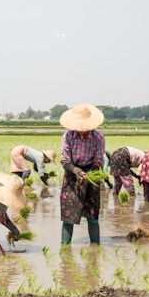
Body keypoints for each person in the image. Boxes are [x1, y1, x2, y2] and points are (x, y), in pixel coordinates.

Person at [58, 104, 105, 245]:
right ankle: (65, 249)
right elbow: (65, 160)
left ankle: (95, 247)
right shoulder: (68, 135)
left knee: (92, 214)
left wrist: (89, 173)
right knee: (68, 215)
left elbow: (98, 160)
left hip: (92, 173)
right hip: (72, 173)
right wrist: (77, 171)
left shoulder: (98, 138)